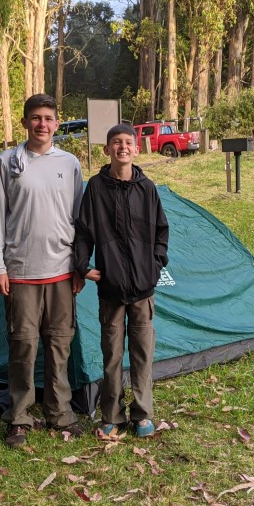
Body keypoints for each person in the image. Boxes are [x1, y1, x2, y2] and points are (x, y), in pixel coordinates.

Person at [0, 93, 85, 448]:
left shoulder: (70, 163)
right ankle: (20, 418)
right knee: (23, 347)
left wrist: (80, 266)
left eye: (48, 118)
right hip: (21, 271)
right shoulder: (7, 162)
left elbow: (79, 219)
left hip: (62, 271)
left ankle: (60, 413)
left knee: (59, 345)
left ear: (57, 124)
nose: (42, 124)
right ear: (25, 122)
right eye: (36, 118)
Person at [73, 123, 169, 438]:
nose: (122, 147)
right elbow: (83, 232)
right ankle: (112, 415)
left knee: (142, 353)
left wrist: (155, 265)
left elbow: (161, 232)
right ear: (107, 149)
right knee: (112, 354)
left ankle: (143, 414)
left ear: (136, 149)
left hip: (143, 289)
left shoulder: (147, 188)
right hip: (111, 290)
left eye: (128, 142)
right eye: (116, 142)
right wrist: (82, 266)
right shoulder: (96, 188)